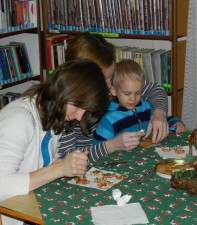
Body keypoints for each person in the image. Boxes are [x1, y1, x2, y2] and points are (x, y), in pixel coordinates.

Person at [0, 59, 109, 225]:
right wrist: (60, 168)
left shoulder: (53, 114)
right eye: (79, 106)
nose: (80, 116)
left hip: (31, 208)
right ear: (65, 90)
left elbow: (41, 165)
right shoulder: (19, 118)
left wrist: (67, 165)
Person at [58, 33, 170, 161]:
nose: (109, 85)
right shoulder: (67, 106)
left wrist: (159, 113)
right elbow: (68, 161)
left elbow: (155, 89)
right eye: (102, 78)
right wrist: (111, 145)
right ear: (81, 76)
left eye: (110, 76)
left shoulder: (112, 85)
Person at [93, 59, 185, 145]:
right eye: (127, 93)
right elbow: (99, 146)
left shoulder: (146, 107)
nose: (133, 98)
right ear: (114, 90)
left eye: (138, 93)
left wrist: (175, 123)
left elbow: (163, 120)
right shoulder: (109, 119)